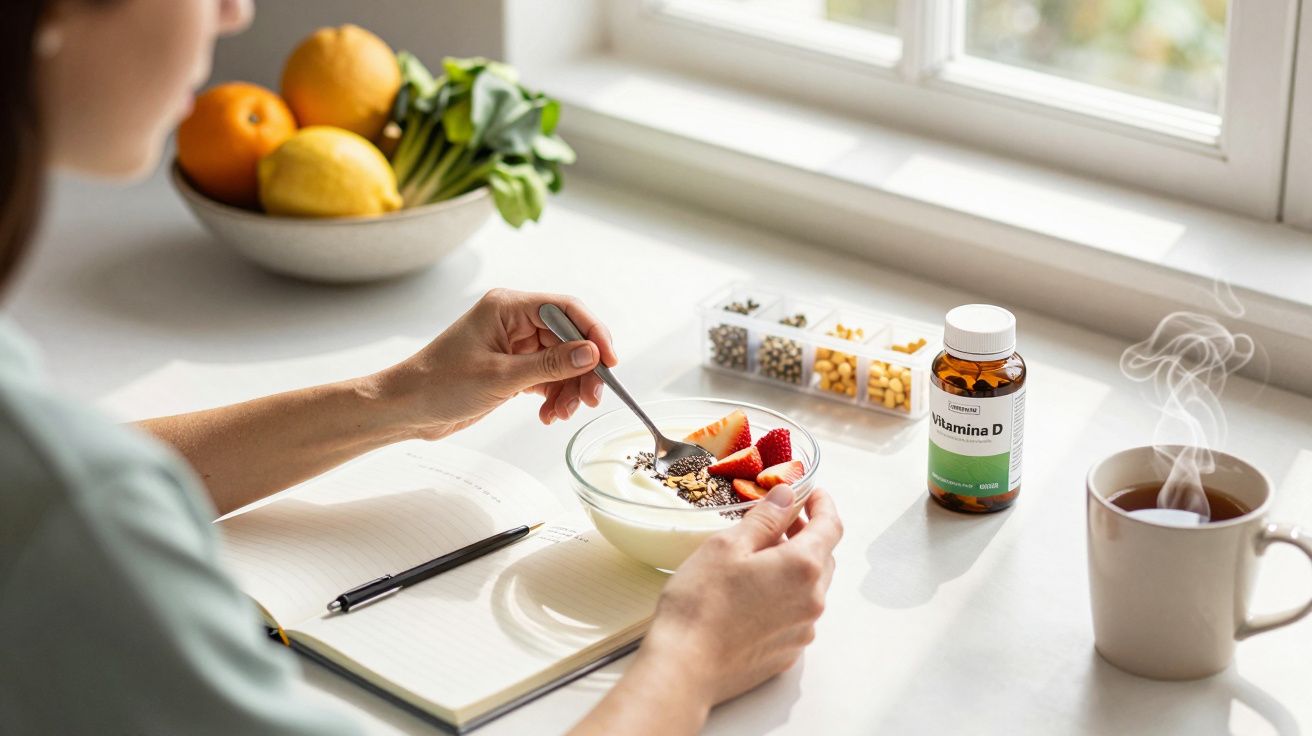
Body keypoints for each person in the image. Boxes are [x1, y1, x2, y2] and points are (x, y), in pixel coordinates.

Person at [0, 1, 844, 734]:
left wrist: (399, 398)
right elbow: (67, 492)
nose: (235, 11)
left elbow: (45, 480)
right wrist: (693, 659)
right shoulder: (79, 510)